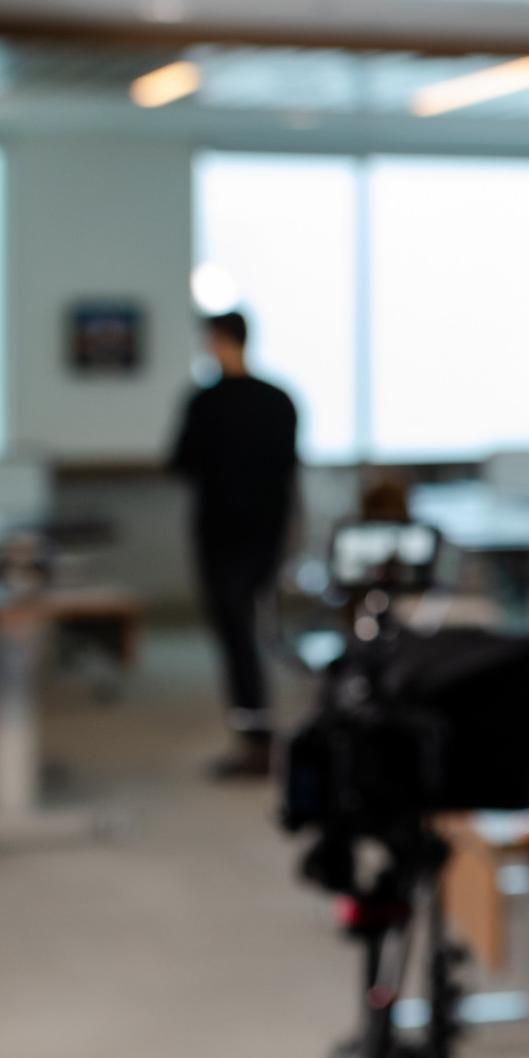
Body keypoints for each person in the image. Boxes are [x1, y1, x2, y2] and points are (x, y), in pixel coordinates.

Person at [170, 311, 299, 779]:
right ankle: (258, 735)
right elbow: (289, 470)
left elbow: (181, 463)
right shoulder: (280, 400)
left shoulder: (206, 403)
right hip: (267, 536)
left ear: (218, 341)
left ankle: (256, 739)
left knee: (237, 640)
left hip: (222, 538)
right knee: (251, 635)